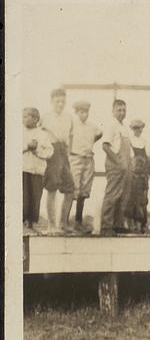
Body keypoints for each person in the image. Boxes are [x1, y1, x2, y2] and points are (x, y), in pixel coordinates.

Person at [40, 88, 76, 234]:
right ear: (51, 101)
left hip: (64, 151)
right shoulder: (45, 117)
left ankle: (63, 223)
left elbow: (71, 135)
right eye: (57, 101)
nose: (60, 104)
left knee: (70, 188)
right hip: (51, 151)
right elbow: (40, 134)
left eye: (63, 101)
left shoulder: (68, 117)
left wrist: (69, 151)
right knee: (52, 188)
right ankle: (51, 225)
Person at [98, 99, 133, 236]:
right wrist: (118, 162)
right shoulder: (111, 125)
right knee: (112, 194)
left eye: (124, 110)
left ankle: (117, 224)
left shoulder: (123, 127)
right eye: (119, 110)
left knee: (122, 195)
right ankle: (106, 226)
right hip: (115, 165)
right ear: (113, 111)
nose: (122, 112)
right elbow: (105, 146)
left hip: (126, 165)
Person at [68, 101, 102, 234]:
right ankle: (64, 222)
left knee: (84, 191)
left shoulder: (92, 126)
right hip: (76, 158)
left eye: (86, 112)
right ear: (76, 112)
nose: (84, 114)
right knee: (73, 190)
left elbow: (100, 134)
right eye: (81, 112)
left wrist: (89, 144)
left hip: (88, 158)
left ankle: (78, 222)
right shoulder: (72, 124)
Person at [22, 108, 54, 235]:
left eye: (27, 116)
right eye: (23, 116)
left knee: (36, 197)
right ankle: (23, 223)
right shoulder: (20, 133)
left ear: (36, 119)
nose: (24, 119)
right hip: (23, 169)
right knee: (24, 196)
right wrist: (27, 147)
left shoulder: (43, 135)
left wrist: (37, 150)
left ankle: (31, 224)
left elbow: (50, 152)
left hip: (38, 171)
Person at [128, 119, 149, 232]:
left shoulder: (144, 141)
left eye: (139, 127)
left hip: (143, 174)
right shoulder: (130, 141)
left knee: (143, 201)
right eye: (135, 128)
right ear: (132, 129)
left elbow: (149, 156)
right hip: (133, 175)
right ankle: (133, 224)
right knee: (132, 200)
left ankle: (143, 224)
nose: (138, 130)